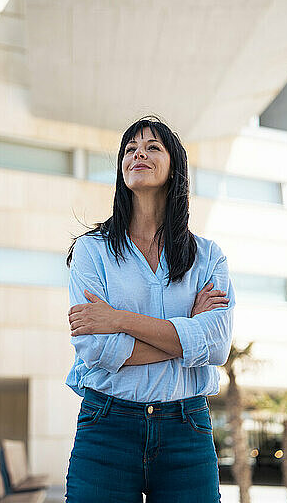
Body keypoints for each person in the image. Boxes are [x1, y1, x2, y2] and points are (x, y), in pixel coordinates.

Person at [64, 115, 235, 503]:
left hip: (186, 429)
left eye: (152, 147)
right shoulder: (92, 251)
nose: (138, 153)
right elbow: (96, 349)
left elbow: (217, 346)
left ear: (175, 166)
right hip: (106, 426)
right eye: (130, 149)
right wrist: (187, 331)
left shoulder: (208, 257)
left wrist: (119, 320)